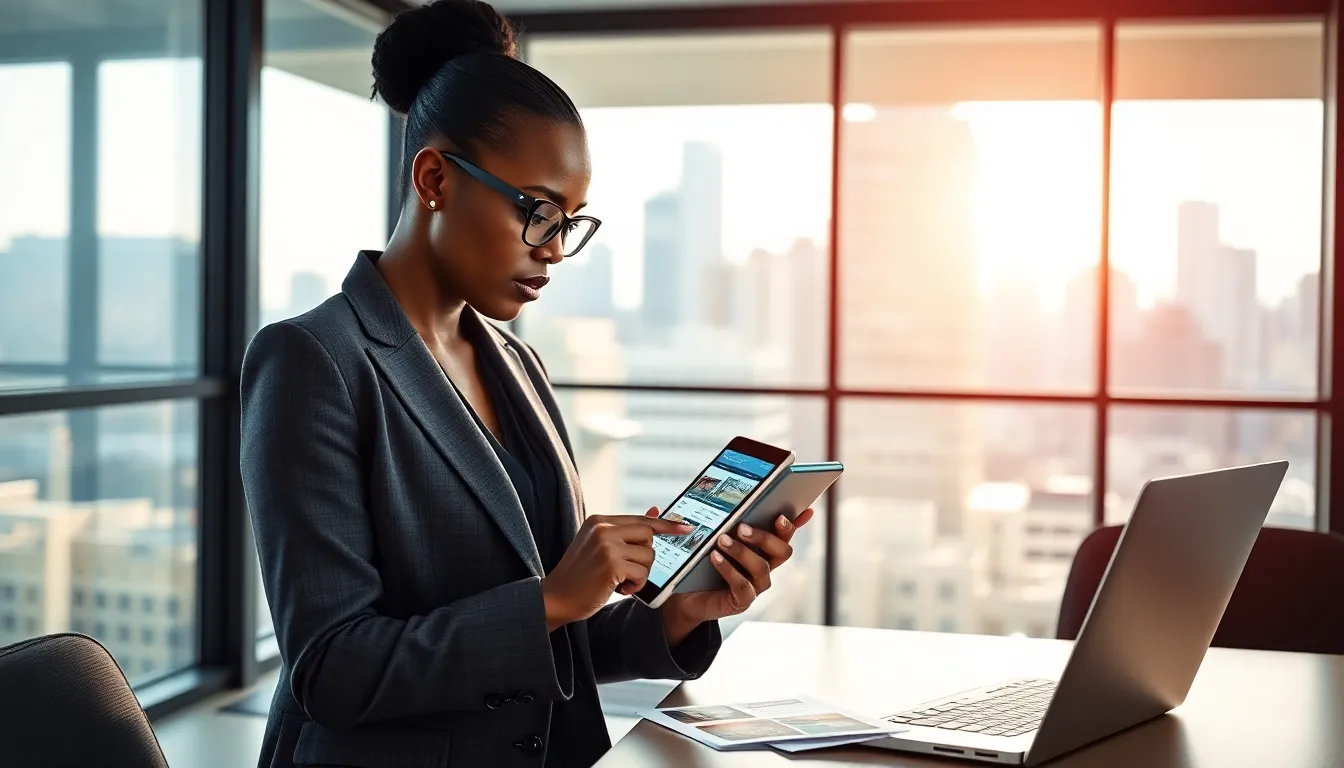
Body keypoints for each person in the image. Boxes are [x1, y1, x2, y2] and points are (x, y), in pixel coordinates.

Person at [238, 2, 815, 766]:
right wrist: (553, 597)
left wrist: (675, 616)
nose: (553, 251)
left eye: (570, 222)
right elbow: (332, 668)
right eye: (538, 214)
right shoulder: (314, 360)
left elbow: (546, 646)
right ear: (436, 177)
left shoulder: (517, 364)